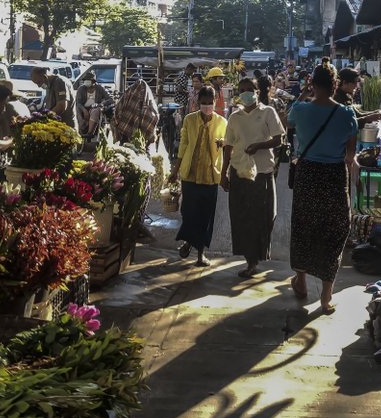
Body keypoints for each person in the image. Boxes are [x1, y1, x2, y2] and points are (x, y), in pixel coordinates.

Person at [287, 62, 358, 314]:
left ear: (312, 85)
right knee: (335, 228)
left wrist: (303, 94)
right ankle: (326, 297)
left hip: (307, 174)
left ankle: (301, 281)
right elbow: (350, 154)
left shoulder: (301, 109)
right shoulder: (347, 113)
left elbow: (290, 119)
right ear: (336, 85)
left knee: (304, 225)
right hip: (334, 176)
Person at [221, 78, 286, 278]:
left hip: (263, 172)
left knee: (265, 216)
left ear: (257, 91)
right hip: (239, 171)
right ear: (238, 94)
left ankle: (258, 255)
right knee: (242, 218)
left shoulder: (268, 112)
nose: (247, 93)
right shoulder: (234, 117)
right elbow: (228, 146)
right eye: (243, 90)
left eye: (250, 89)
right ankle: (251, 261)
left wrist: (259, 145)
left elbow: (278, 139)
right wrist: (223, 173)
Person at [169, 86, 227, 267]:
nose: (207, 106)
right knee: (188, 212)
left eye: (210, 103)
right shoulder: (189, 120)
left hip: (210, 176)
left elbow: (229, 146)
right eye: (204, 103)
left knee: (206, 216)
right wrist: (174, 171)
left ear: (215, 101)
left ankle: (201, 253)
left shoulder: (222, 123)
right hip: (190, 175)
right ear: (198, 102)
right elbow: (183, 146)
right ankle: (188, 241)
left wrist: (223, 144)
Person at [113, 78, 159, 146]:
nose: (139, 94)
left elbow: (117, 110)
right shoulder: (149, 99)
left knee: (128, 147)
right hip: (130, 134)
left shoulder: (129, 93)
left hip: (133, 134)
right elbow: (155, 116)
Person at [75, 71, 112, 136]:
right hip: (83, 108)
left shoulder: (99, 88)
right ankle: (82, 129)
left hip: (94, 108)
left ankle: (90, 133)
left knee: (96, 110)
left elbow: (110, 99)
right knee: (77, 109)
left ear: (93, 81)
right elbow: (78, 103)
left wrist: (101, 104)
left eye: (88, 80)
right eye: (86, 80)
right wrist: (84, 110)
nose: (86, 82)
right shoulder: (81, 89)